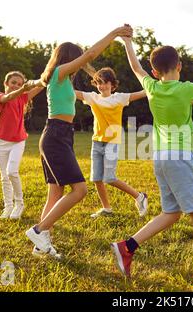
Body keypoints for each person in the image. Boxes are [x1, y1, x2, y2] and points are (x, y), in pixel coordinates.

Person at [111, 36, 193, 285]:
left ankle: (127, 247)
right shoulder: (186, 88)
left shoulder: (151, 86)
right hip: (180, 158)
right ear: (179, 65)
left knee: (171, 213)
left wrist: (127, 42)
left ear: (154, 71)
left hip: (160, 158)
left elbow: (135, 67)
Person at [25, 25, 133, 259]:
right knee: (80, 190)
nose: (80, 66)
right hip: (56, 135)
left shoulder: (58, 78)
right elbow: (91, 55)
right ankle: (38, 230)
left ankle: (40, 245)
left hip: (58, 134)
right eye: (77, 60)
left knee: (54, 194)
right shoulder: (60, 72)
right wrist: (114, 34)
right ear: (68, 59)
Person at [76, 66, 148, 218]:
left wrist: (153, 83)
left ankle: (139, 196)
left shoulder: (119, 98)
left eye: (105, 83)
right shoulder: (92, 97)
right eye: (99, 83)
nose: (102, 86)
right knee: (96, 178)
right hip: (97, 141)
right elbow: (71, 92)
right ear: (96, 84)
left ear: (112, 84)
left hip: (112, 142)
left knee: (109, 177)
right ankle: (106, 208)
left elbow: (144, 92)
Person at [0, 71, 43, 219]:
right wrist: (23, 88)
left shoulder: (23, 98)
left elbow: (41, 84)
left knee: (12, 172)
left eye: (20, 84)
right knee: (4, 177)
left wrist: (48, 74)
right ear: (6, 84)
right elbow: (8, 97)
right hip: (2, 142)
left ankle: (19, 204)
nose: (16, 85)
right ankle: (8, 207)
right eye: (13, 83)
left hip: (18, 141)